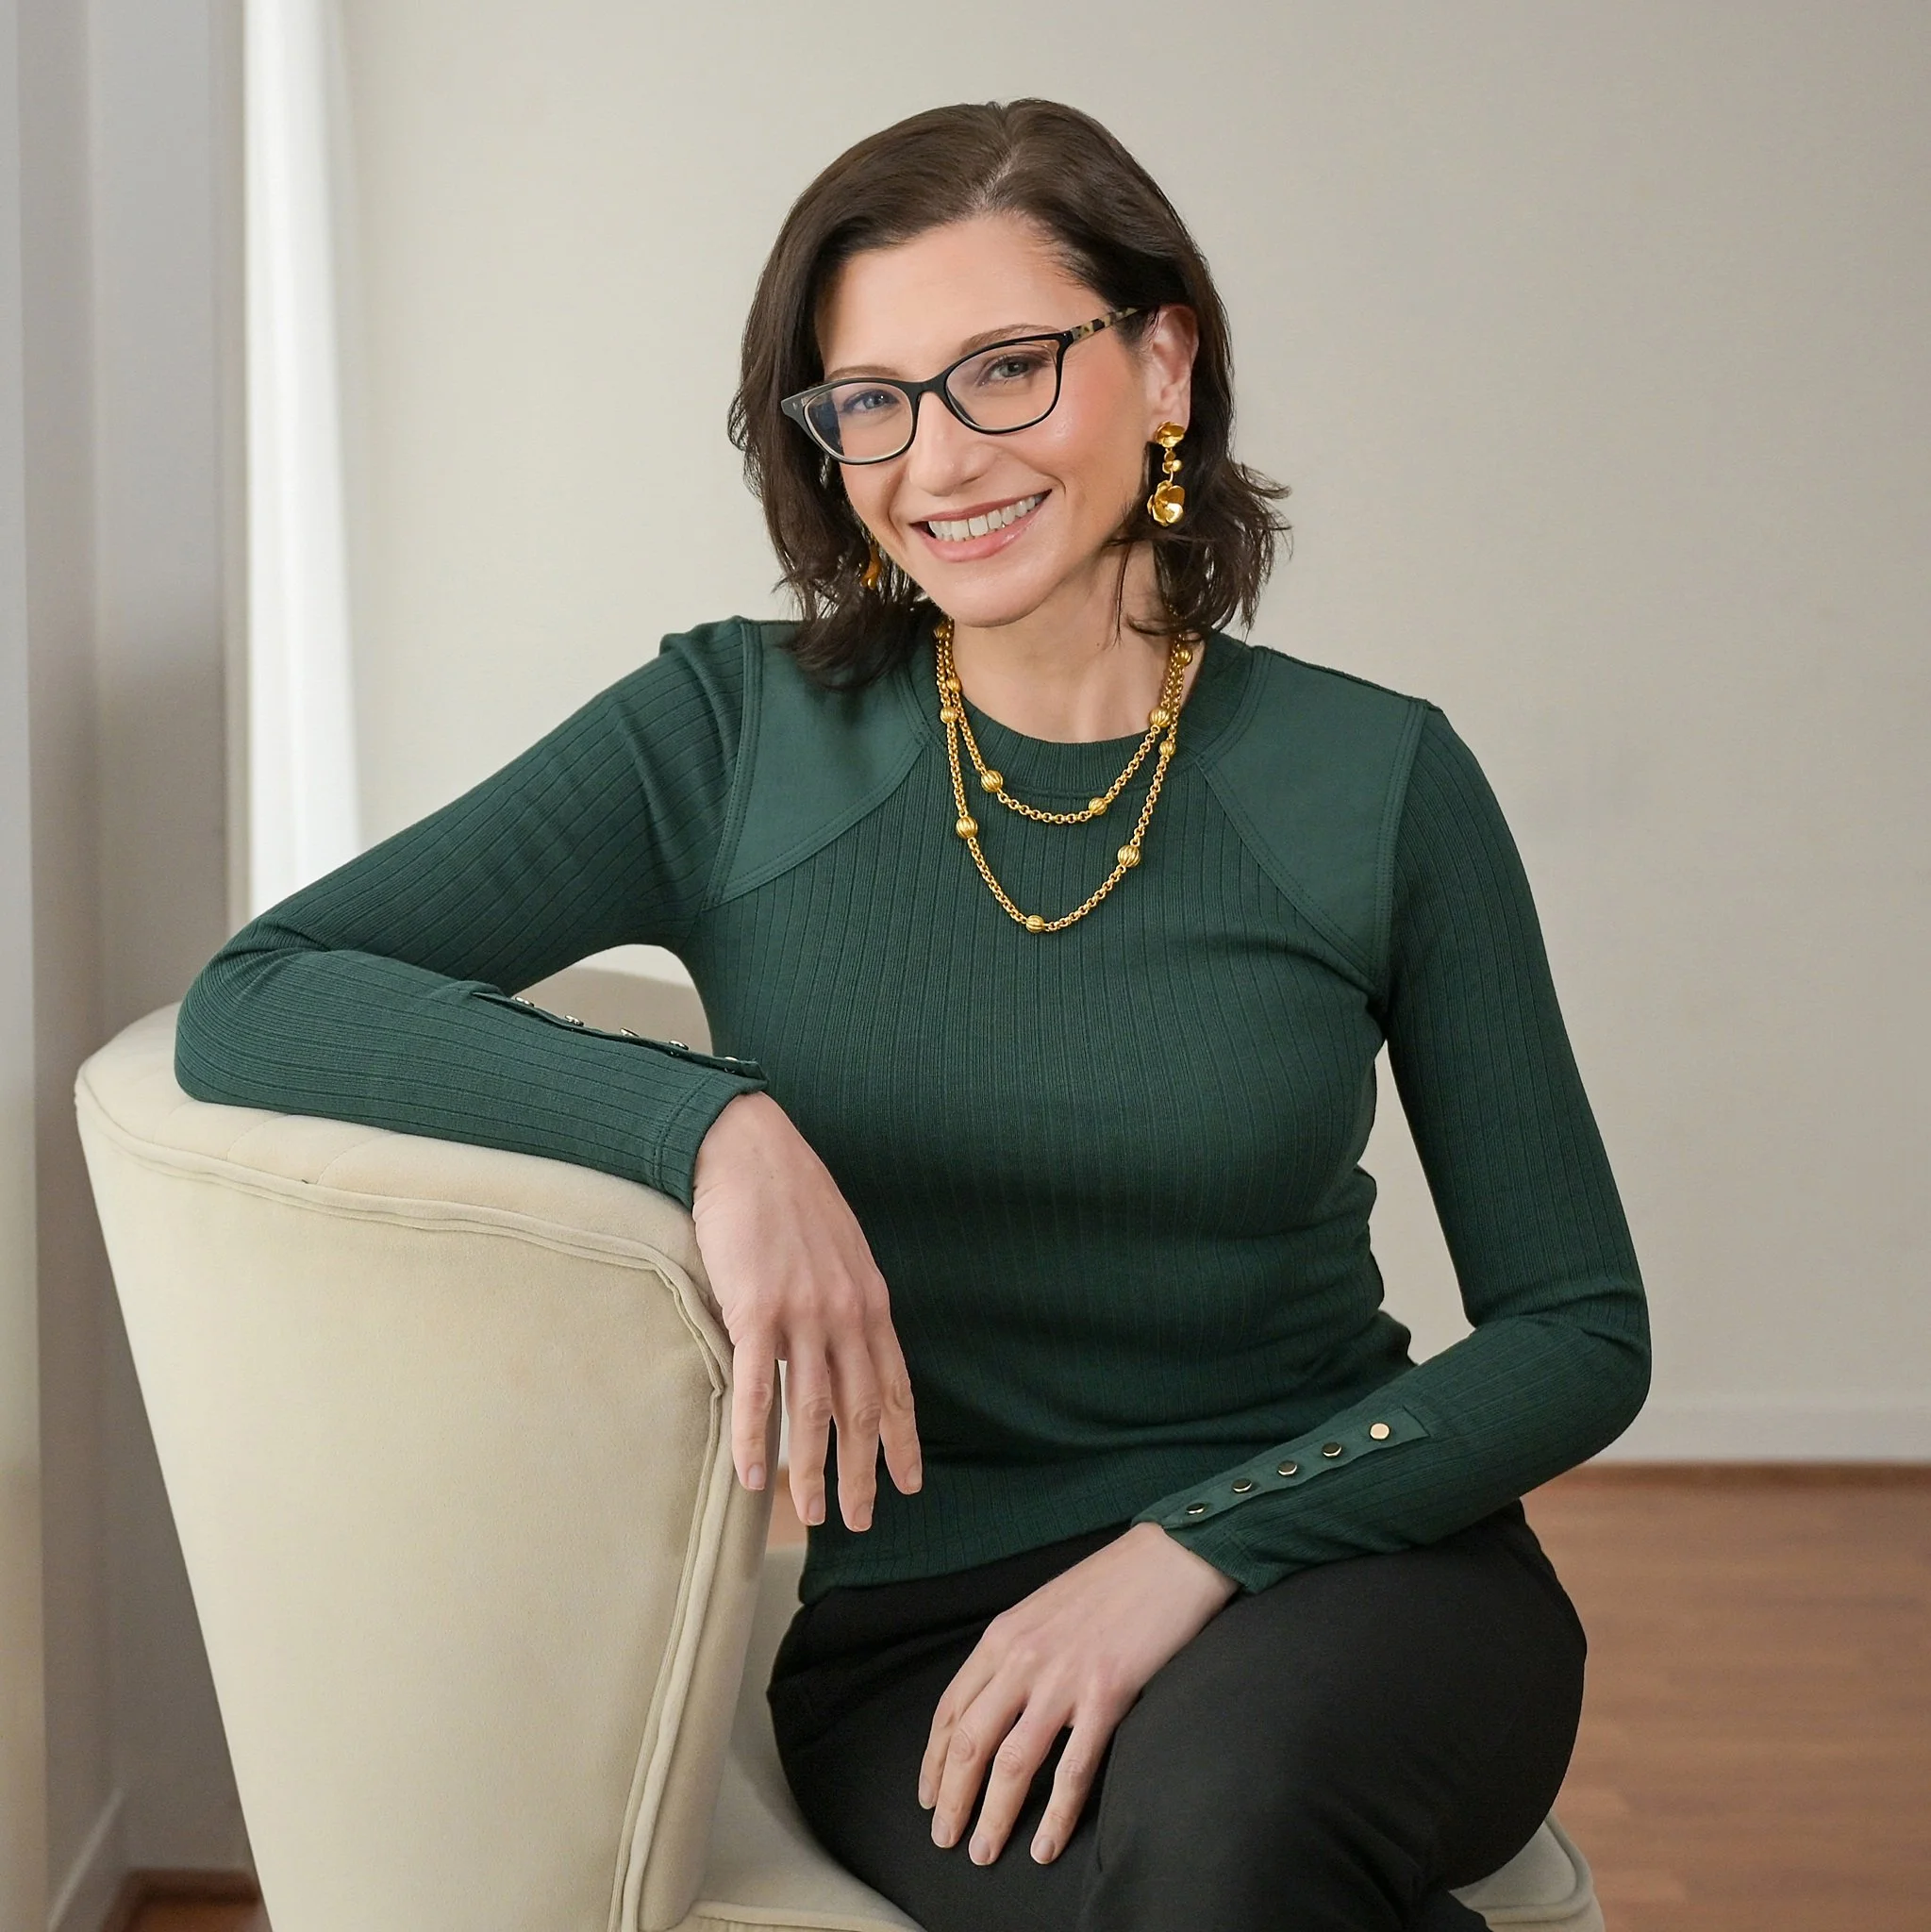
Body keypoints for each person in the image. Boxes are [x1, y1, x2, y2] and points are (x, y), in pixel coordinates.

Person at [176, 98, 1648, 1932]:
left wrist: (1192, 1545)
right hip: (927, 1632)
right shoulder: (724, 738)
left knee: (1235, 1844)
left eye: (1007, 369)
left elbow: (1578, 1329)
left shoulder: (1379, 782)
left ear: (1165, 358)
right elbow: (259, 1000)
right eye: (871, 399)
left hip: (1346, 1547)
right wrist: (706, 1122)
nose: (937, 459)